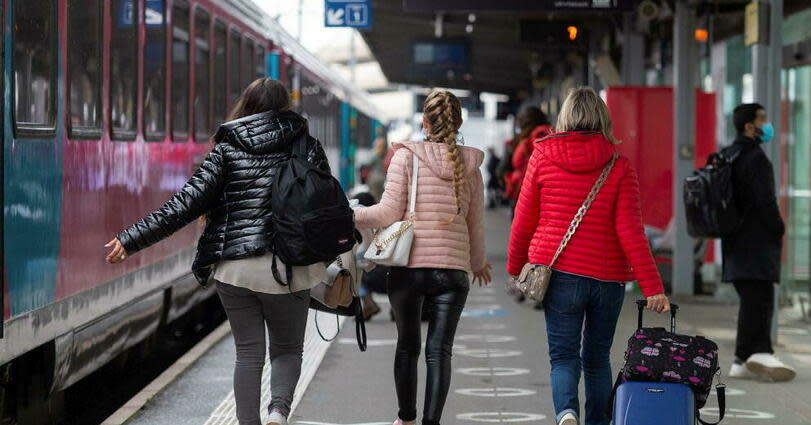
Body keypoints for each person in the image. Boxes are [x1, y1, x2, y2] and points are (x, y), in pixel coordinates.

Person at [104, 78, 328, 425]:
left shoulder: (226, 149)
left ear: (246, 106)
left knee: (248, 353)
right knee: (286, 349)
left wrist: (131, 239)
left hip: (235, 268)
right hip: (290, 264)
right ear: (285, 108)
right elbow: (324, 204)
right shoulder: (307, 146)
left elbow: (183, 206)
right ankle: (278, 412)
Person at [507, 87, 670, 425]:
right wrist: (653, 287)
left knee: (563, 357)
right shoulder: (619, 165)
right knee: (597, 359)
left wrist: (514, 267)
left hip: (559, 275)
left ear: (564, 117)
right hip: (607, 280)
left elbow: (523, 220)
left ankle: (566, 413)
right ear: (603, 119)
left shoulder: (541, 157)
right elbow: (631, 232)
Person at [354, 90, 492, 425]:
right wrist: (478, 263)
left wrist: (354, 214)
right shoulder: (471, 165)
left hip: (409, 269)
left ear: (425, 122)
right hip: (453, 273)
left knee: (408, 346)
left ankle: (407, 419)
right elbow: (475, 223)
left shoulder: (406, 157)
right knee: (439, 351)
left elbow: (387, 214)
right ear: (458, 123)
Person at [721, 103, 796, 382]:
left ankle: (743, 358)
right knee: (760, 299)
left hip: (734, 240)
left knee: (753, 299)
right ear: (749, 126)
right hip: (756, 241)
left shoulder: (729, 155)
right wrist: (778, 227)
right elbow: (766, 202)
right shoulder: (756, 158)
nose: (767, 124)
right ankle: (759, 351)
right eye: (763, 119)